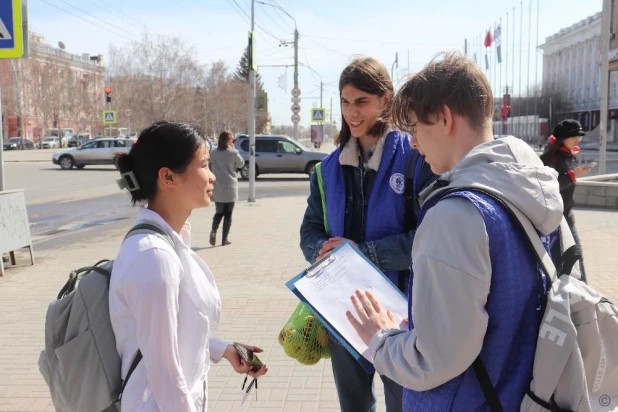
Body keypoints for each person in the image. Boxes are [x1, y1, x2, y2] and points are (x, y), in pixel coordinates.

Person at [347, 52, 564, 411]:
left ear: (445, 118)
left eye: (416, 128)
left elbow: (434, 360)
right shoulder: (534, 192)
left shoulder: (454, 215)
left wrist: (381, 338)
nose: (413, 144)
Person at [300, 57, 435, 412]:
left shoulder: (416, 158)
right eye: (345, 102)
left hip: (403, 315)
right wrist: (323, 251)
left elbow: (430, 240)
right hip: (343, 312)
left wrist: (363, 254)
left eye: (361, 101)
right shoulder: (326, 169)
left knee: (403, 404)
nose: (351, 113)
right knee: (354, 406)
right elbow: (309, 231)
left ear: (386, 100)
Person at [110, 121, 267, 411]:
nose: (211, 176)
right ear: (168, 177)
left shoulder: (167, 244)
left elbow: (172, 332)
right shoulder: (153, 257)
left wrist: (224, 349)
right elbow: (164, 370)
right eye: (204, 165)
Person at [540, 119, 591, 283]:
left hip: (567, 214)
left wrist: (575, 173)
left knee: (574, 256)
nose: (578, 139)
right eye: (574, 136)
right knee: (566, 257)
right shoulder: (552, 158)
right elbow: (549, 185)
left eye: (579, 136)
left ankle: (581, 293)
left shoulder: (569, 155)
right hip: (555, 217)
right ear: (563, 138)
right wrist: (572, 175)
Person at [209, 130, 245, 246]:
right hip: (230, 187)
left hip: (217, 186)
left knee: (219, 212)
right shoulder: (233, 152)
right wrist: (233, 149)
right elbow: (241, 164)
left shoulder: (213, 153)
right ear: (229, 140)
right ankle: (224, 239)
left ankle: (213, 231)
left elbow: (209, 166)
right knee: (228, 214)